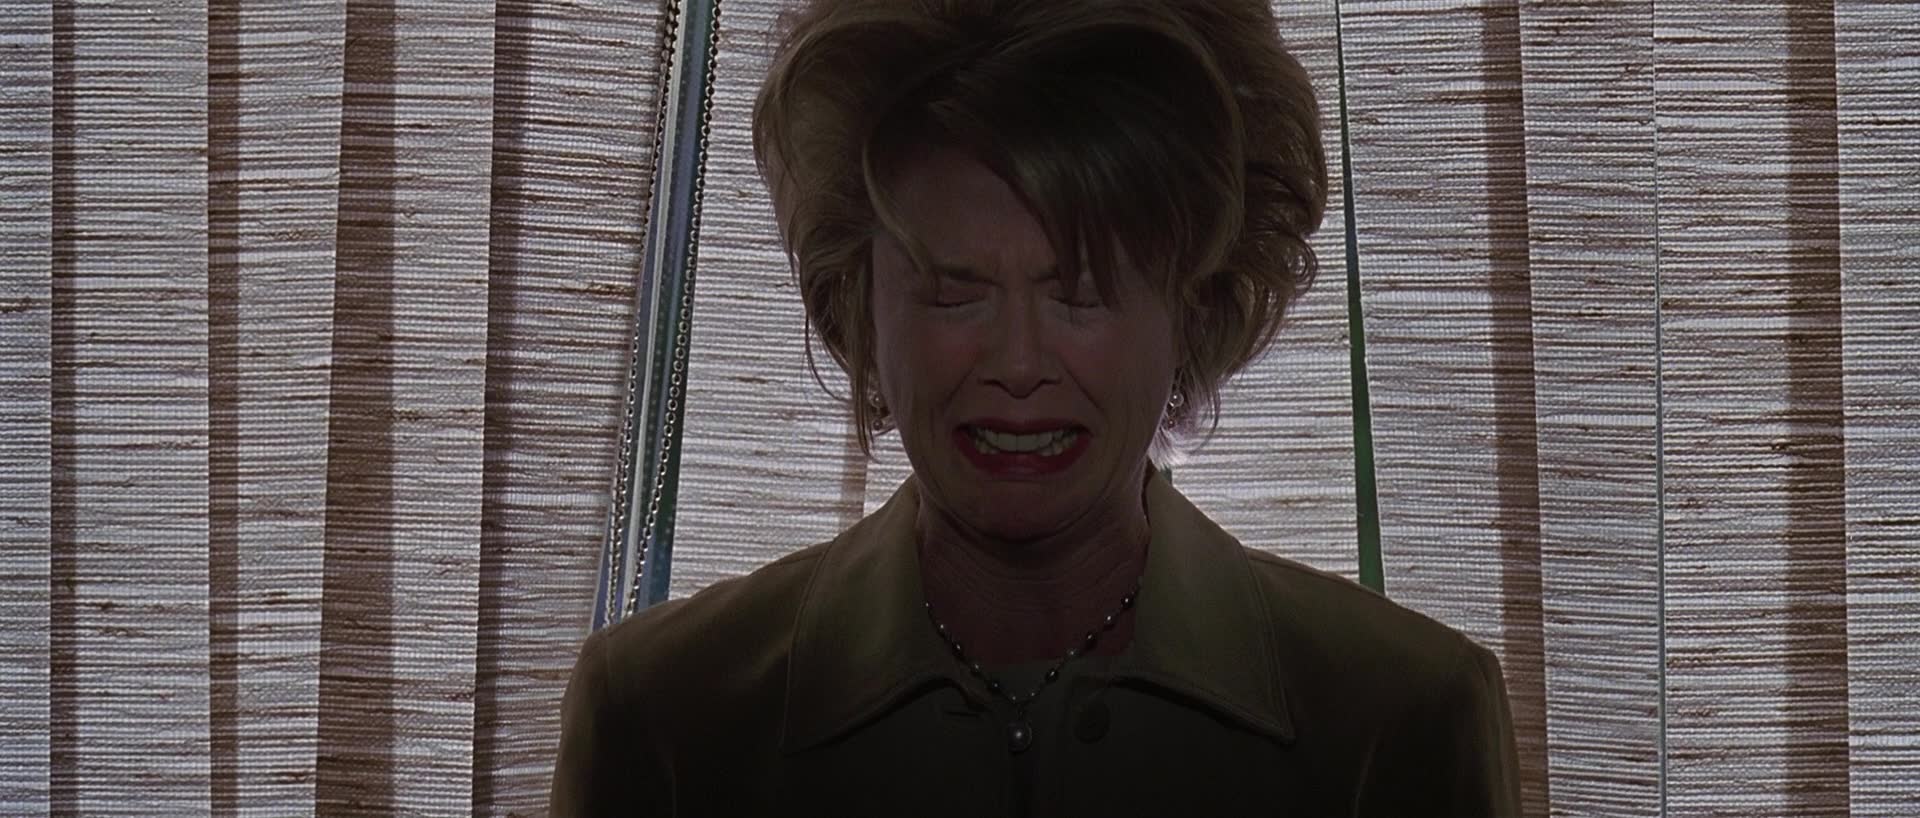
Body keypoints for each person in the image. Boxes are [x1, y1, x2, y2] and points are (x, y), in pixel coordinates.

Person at [550, 1, 1522, 815]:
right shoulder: (661, 716)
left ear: (1192, 304)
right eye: (953, 291)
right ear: (857, 302)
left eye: (1083, 291)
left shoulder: (1403, 718)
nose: (1018, 363)